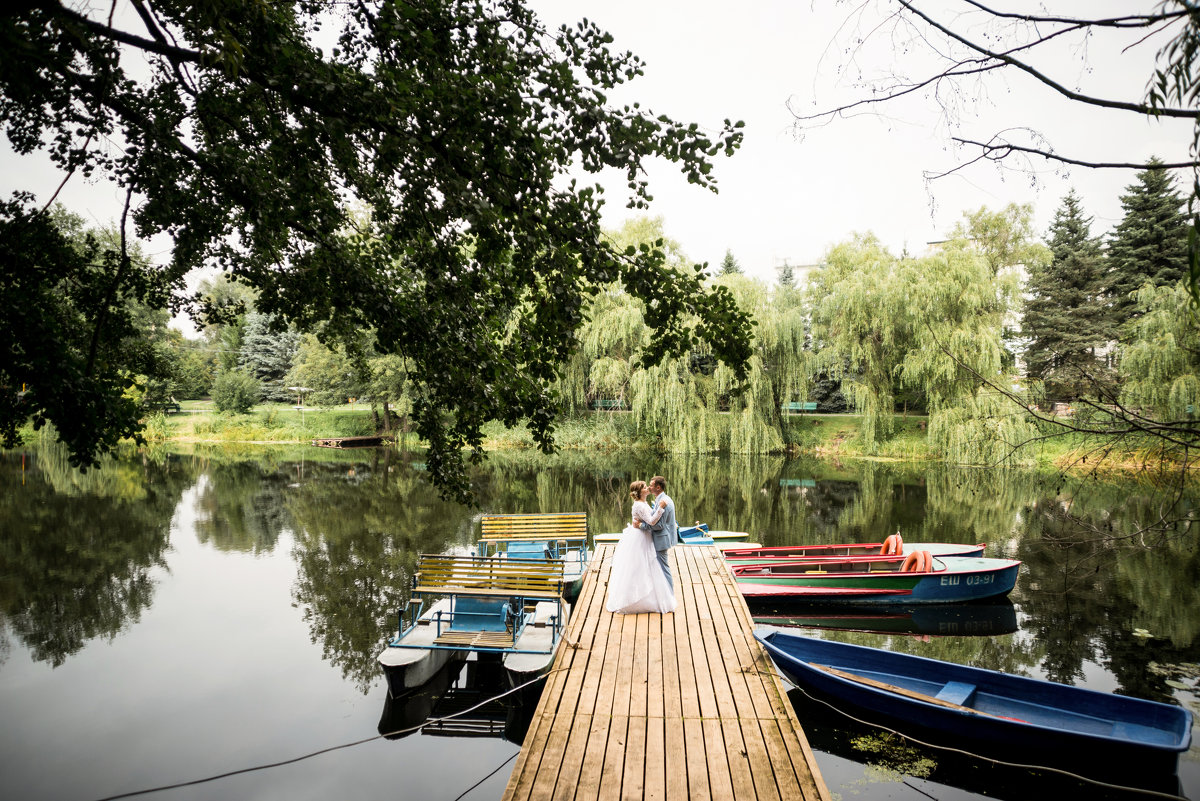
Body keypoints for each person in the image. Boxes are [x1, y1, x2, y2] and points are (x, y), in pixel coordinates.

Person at [605, 480, 677, 614]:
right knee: (638, 566)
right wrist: (660, 508)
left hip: (645, 536)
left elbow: (650, 519)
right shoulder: (639, 505)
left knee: (648, 565)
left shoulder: (644, 503)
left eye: (648, 486)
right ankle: (636, 598)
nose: (648, 488)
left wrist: (657, 509)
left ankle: (656, 596)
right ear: (639, 492)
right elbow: (651, 521)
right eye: (645, 487)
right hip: (640, 537)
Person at [646, 475, 677, 590]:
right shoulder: (661, 499)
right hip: (662, 537)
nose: (649, 487)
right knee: (660, 566)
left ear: (658, 487)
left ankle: (669, 596)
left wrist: (642, 526)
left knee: (664, 568)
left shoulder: (664, 502)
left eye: (651, 485)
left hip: (662, 539)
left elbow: (659, 525)